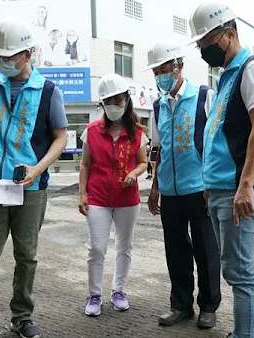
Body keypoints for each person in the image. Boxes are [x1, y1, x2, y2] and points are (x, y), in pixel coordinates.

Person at [0, 18, 68, 338]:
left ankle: (22, 318)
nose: (2, 62)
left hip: (29, 190)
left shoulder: (48, 91)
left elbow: (61, 137)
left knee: (26, 257)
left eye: (9, 56)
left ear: (28, 55)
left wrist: (37, 169)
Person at [189, 3, 254, 338]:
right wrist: (211, 181)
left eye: (206, 41)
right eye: (199, 44)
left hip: (239, 189)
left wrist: (246, 185)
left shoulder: (252, 69)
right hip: (222, 188)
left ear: (229, 34)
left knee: (240, 272)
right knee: (235, 269)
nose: (202, 48)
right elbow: (219, 134)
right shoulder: (226, 76)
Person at [144, 40, 221, 329]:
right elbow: (157, 147)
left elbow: (214, 142)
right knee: (175, 249)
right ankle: (180, 304)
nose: (161, 75)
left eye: (165, 69)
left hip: (199, 188)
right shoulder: (158, 105)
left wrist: (210, 183)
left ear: (179, 67)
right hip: (170, 191)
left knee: (205, 248)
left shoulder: (204, 96)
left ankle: (209, 306)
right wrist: (154, 186)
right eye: (156, 71)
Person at [78, 73, 148, 317]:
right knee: (96, 247)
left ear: (127, 101)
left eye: (118, 100)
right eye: (109, 101)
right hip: (97, 197)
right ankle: (94, 295)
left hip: (127, 200)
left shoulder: (137, 133)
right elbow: (85, 165)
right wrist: (82, 194)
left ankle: (119, 290)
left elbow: (143, 163)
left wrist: (134, 173)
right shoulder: (92, 131)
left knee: (124, 246)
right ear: (102, 104)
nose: (114, 106)